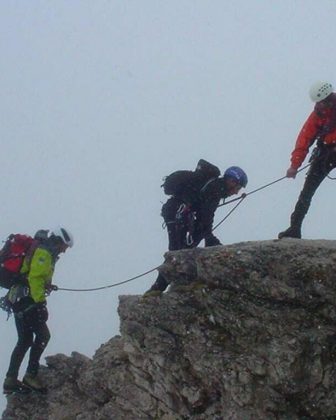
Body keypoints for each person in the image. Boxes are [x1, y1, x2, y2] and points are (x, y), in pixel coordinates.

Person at [144, 164, 248, 295]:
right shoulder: (216, 188)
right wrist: (209, 236)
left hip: (176, 212)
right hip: (178, 213)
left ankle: (161, 285)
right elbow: (206, 214)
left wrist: (206, 235)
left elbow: (203, 214)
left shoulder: (214, 186)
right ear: (231, 181)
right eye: (237, 187)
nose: (236, 192)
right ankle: (158, 287)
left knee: (181, 249)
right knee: (178, 251)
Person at [3, 226, 74, 394]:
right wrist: (41, 303)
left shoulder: (44, 251)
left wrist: (47, 286)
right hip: (27, 300)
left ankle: (10, 380)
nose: (64, 251)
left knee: (25, 340)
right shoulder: (44, 253)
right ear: (59, 241)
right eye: (65, 246)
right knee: (43, 336)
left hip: (18, 299)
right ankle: (30, 375)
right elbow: (35, 278)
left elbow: (34, 276)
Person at [278, 81, 336, 239]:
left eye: (322, 102)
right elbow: (304, 138)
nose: (320, 106)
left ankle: (294, 227)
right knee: (307, 191)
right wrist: (294, 165)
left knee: (307, 192)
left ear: (329, 99)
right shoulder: (317, 114)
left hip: (329, 152)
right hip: (325, 153)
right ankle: (294, 228)